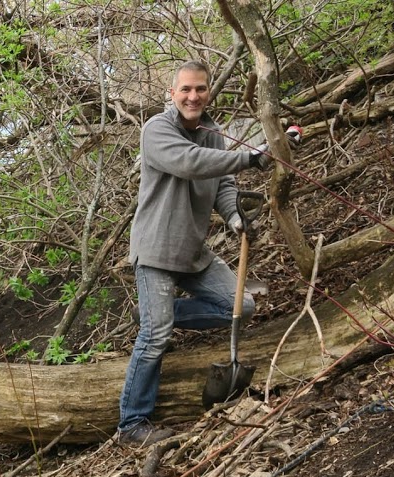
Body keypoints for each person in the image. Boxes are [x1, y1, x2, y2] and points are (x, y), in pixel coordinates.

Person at [118, 60, 276, 445]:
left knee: (241, 307)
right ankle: (132, 424)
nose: (193, 96)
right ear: (172, 94)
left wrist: (236, 218)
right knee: (155, 336)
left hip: (192, 251)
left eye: (200, 89)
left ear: (209, 92)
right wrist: (251, 156)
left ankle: (158, 315)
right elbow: (190, 164)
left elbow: (222, 182)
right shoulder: (157, 129)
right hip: (155, 250)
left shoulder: (213, 133)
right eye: (185, 89)